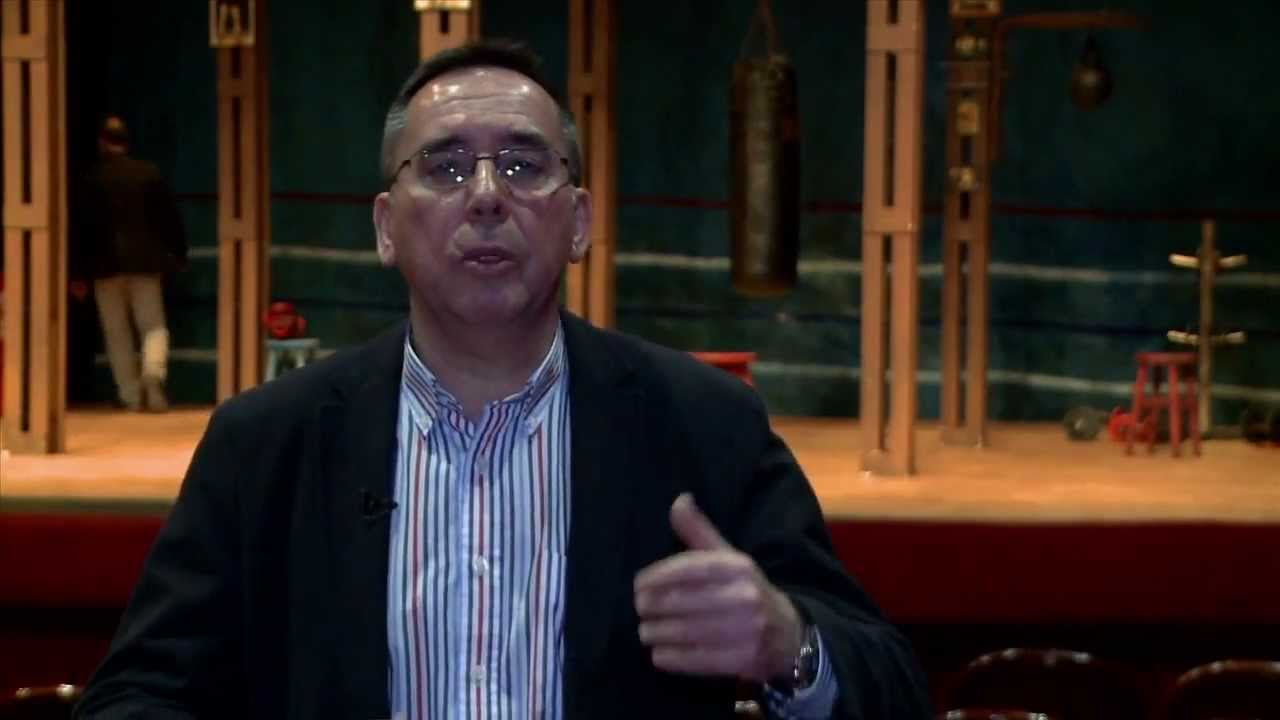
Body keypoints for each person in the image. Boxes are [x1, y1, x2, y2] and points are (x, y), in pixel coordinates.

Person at [75, 42, 930, 719]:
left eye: (523, 165)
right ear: (385, 227)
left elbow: (890, 682)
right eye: (445, 166)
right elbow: (137, 695)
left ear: (579, 221)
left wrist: (788, 645)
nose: (486, 195)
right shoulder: (265, 444)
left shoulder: (706, 426)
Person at [70, 115, 187, 412]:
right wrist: (179, 254)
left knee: (116, 333)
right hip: (146, 263)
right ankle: (153, 373)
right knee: (153, 326)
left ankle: (131, 395)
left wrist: (77, 272)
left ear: (102, 142)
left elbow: (81, 227)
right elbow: (168, 219)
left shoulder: (91, 178)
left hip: (104, 266)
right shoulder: (149, 174)